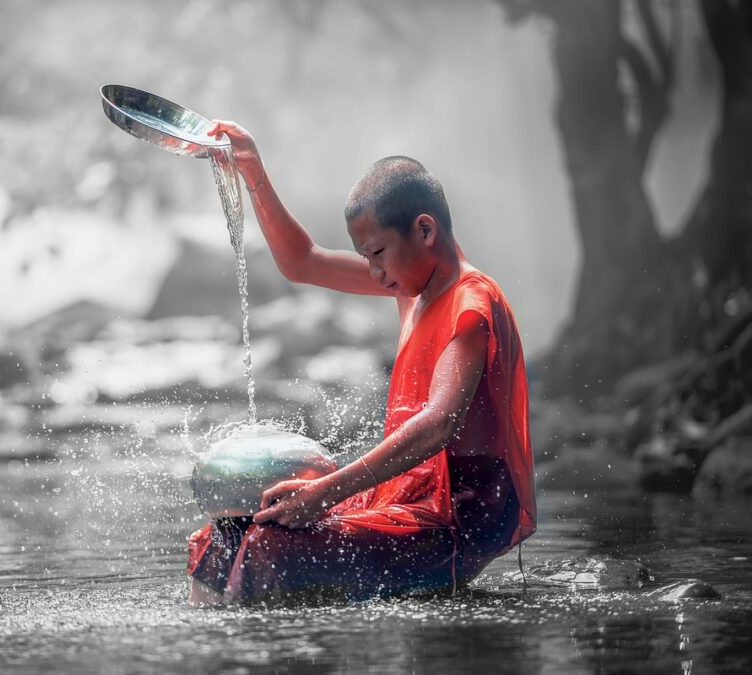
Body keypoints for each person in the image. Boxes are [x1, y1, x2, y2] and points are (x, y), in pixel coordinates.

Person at [187, 121, 536, 606]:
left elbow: (438, 424)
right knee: (220, 537)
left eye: (377, 254)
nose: (374, 273)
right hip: (401, 498)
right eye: (365, 257)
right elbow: (303, 261)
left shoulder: (469, 303)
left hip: (454, 521)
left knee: (268, 546)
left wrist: (325, 492)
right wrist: (253, 171)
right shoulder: (412, 282)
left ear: (425, 230)